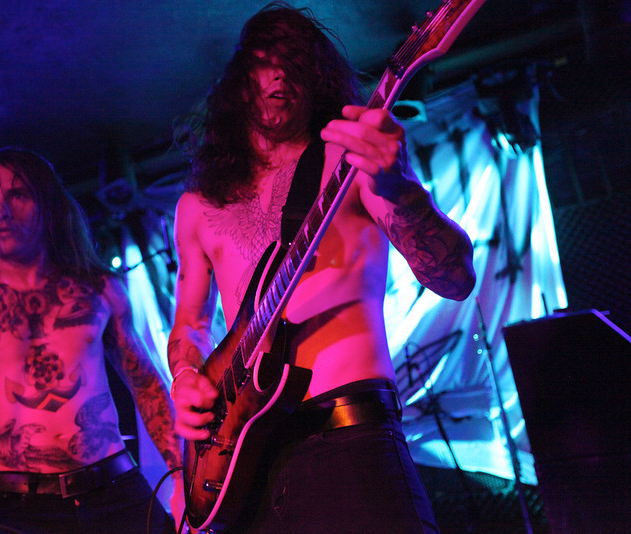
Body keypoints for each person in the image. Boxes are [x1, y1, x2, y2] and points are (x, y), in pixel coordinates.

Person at [168, 4, 476, 533]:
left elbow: (455, 279)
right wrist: (184, 379)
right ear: (239, 79)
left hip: (348, 435)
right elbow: (189, 324)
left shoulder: (349, 162)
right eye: (264, 61)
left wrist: (399, 190)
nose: (279, 75)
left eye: (294, 62)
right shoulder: (198, 206)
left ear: (317, 77)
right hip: (244, 463)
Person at [0, 147, 184, 534]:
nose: (1, 211)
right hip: (14, 511)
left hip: (118, 493)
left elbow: (147, 385)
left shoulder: (100, 289)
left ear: (47, 203)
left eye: (17, 194)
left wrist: (182, 476)